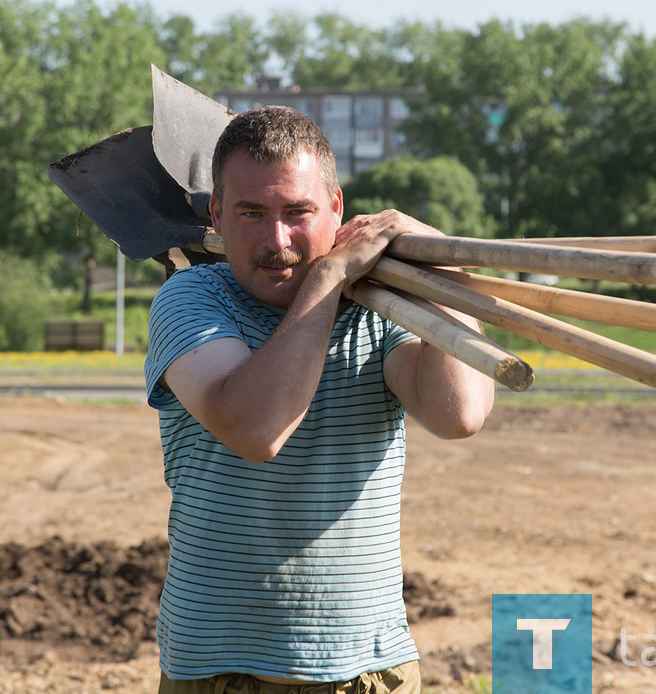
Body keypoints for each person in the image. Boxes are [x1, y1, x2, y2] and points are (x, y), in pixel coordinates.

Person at [145, 105, 495, 694]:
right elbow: (257, 428)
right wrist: (329, 276)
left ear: (335, 209)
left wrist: (442, 267)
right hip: (222, 672)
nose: (275, 241)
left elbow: (458, 413)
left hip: (365, 668)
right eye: (251, 213)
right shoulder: (192, 299)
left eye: (297, 212)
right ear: (216, 215)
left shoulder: (382, 307)